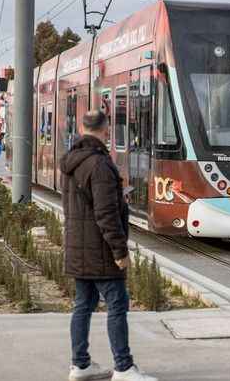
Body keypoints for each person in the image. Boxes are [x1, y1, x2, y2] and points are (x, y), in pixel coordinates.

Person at [61, 110, 157, 381]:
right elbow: (106, 213)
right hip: (100, 249)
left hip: (78, 247)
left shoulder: (70, 161)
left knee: (83, 304)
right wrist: (119, 250)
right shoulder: (100, 165)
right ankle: (124, 368)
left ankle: (80, 365)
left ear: (81, 128)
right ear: (106, 130)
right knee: (117, 305)